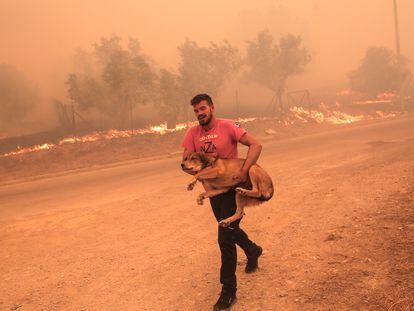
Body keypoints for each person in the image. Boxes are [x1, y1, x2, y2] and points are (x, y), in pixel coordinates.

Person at [181, 94, 263, 310]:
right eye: (196, 110)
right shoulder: (193, 133)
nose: (200, 113)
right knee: (230, 229)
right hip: (213, 192)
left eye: (203, 108)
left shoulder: (228, 126)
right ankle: (252, 250)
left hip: (231, 188)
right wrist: (205, 187)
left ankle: (228, 291)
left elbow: (255, 145)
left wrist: (245, 171)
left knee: (224, 238)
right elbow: (187, 163)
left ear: (212, 108)